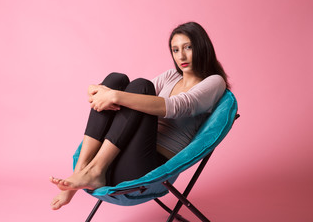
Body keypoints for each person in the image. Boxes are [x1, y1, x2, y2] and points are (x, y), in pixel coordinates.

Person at [50, 22, 230, 210]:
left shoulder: (214, 82)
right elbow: (131, 96)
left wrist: (113, 95)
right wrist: (97, 90)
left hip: (146, 171)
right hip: (116, 159)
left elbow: (179, 105)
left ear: (202, 47)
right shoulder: (171, 76)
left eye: (188, 47)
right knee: (116, 79)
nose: (181, 56)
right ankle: (83, 170)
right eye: (175, 50)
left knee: (141, 87)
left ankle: (94, 171)